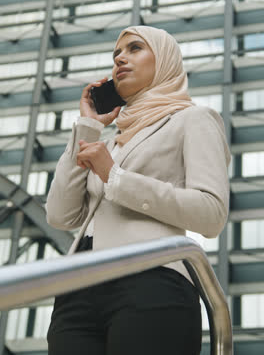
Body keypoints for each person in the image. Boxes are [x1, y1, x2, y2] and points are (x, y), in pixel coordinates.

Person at [46, 25, 231, 355]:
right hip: (78, 288)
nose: (120, 59)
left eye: (134, 49)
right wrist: (88, 126)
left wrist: (115, 177)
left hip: (152, 279)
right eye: (116, 54)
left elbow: (211, 213)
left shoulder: (194, 119)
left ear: (164, 61)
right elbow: (60, 215)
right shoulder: (108, 142)